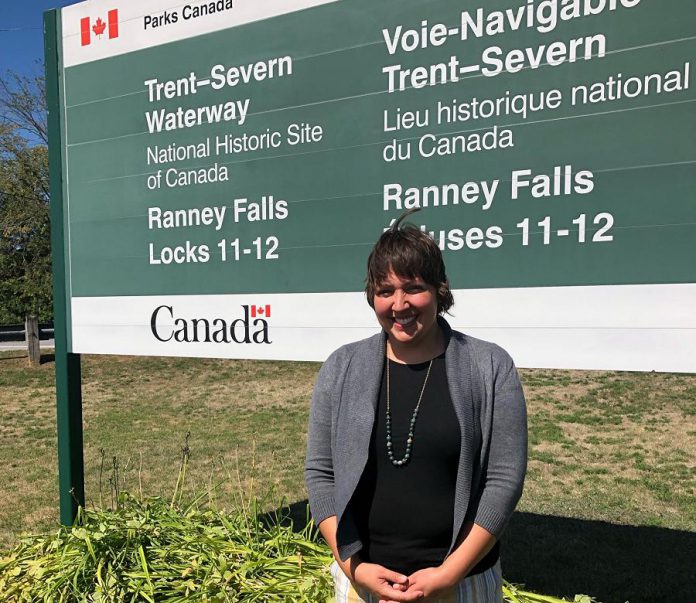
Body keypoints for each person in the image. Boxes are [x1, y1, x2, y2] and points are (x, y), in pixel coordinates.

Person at [305, 209, 527, 602]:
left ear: (439, 290)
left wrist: (448, 574)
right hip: (365, 583)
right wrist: (352, 567)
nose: (400, 303)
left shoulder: (490, 366)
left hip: (461, 585)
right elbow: (321, 474)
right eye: (385, 290)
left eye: (413, 287)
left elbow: (504, 480)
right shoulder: (342, 367)